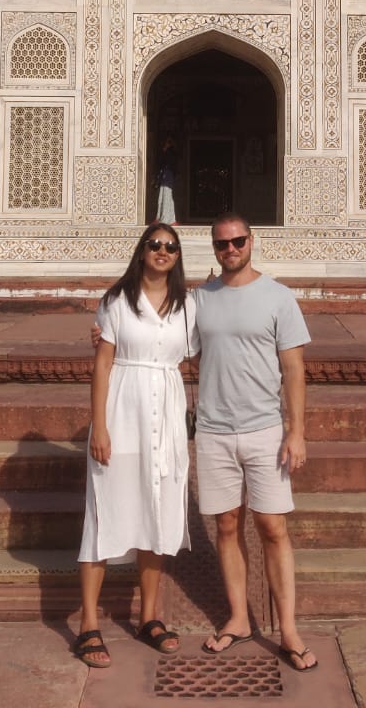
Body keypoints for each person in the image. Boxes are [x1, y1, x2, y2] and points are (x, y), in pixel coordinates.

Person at [194, 213, 317, 673]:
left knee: (272, 527)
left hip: (265, 428)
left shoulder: (278, 298)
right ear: (214, 247)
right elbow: (167, 343)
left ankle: (287, 629)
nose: (230, 249)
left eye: (238, 241)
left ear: (252, 241)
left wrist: (296, 430)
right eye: (222, 243)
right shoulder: (200, 299)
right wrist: (107, 339)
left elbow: (294, 370)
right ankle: (239, 618)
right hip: (214, 430)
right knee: (227, 525)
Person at [72, 222, 198, 669]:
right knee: (105, 514)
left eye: (171, 247)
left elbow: (207, 351)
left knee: (157, 514)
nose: (163, 251)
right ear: (142, 251)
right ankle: (89, 623)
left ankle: (149, 617)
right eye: (155, 245)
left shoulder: (188, 306)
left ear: (178, 256)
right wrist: (100, 427)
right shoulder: (117, 302)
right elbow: (102, 366)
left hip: (165, 418)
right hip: (122, 414)